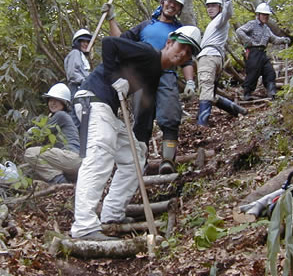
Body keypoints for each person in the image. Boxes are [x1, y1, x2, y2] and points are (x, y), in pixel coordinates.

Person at [71, 26, 201, 240]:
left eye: (189, 53)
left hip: (108, 110)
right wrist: (114, 78)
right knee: (99, 154)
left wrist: (141, 138)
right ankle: (84, 226)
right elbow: (109, 43)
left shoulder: (155, 73)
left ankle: (111, 215)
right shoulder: (148, 53)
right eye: (182, 46)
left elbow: (146, 107)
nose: (183, 53)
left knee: (136, 158)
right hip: (92, 99)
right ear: (169, 43)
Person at [103, 0, 196, 174]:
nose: (172, 6)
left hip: (167, 77)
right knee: (141, 120)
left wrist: (190, 81)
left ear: (179, 9)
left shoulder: (180, 30)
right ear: (162, 3)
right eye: (169, 1)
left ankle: (168, 160)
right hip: (142, 77)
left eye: (176, 5)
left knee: (170, 116)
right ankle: (140, 162)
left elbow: (187, 59)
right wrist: (111, 18)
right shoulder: (146, 26)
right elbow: (121, 40)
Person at [196, 0, 247, 127]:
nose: (210, 9)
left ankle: (202, 125)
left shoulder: (220, 19)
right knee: (209, 93)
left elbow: (228, 13)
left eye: (213, 6)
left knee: (205, 89)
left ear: (219, 7)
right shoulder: (214, 23)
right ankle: (239, 110)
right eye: (208, 6)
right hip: (214, 56)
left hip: (210, 57)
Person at [23, 83, 81, 184]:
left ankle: (60, 182)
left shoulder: (60, 115)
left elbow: (42, 133)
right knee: (30, 167)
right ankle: (60, 181)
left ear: (64, 103)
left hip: (71, 158)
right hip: (72, 163)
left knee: (30, 153)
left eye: (57, 101)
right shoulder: (60, 117)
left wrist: (30, 132)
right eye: (51, 100)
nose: (52, 103)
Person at [236, 3, 291, 100]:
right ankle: (247, 94)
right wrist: (248, 40)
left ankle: (272, 91)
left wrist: (283, 39)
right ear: (258, 15)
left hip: (262, 53)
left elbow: (274, 39)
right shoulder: (252, 24)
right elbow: (239, 31)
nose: (266, 17)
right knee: (253, 73)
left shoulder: (266, 28)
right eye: (264, 14)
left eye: (267, 15)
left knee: (270, 72)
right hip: (253, 52)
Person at [64, 29, 92, 98]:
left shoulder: (81, 56)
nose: (86, 44)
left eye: (88, 42)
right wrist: (86, 82)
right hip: (76, 89)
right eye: (83, 41)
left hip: (82, 89)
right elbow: (72, 73)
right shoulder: (75, 53)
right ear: (77, 42)